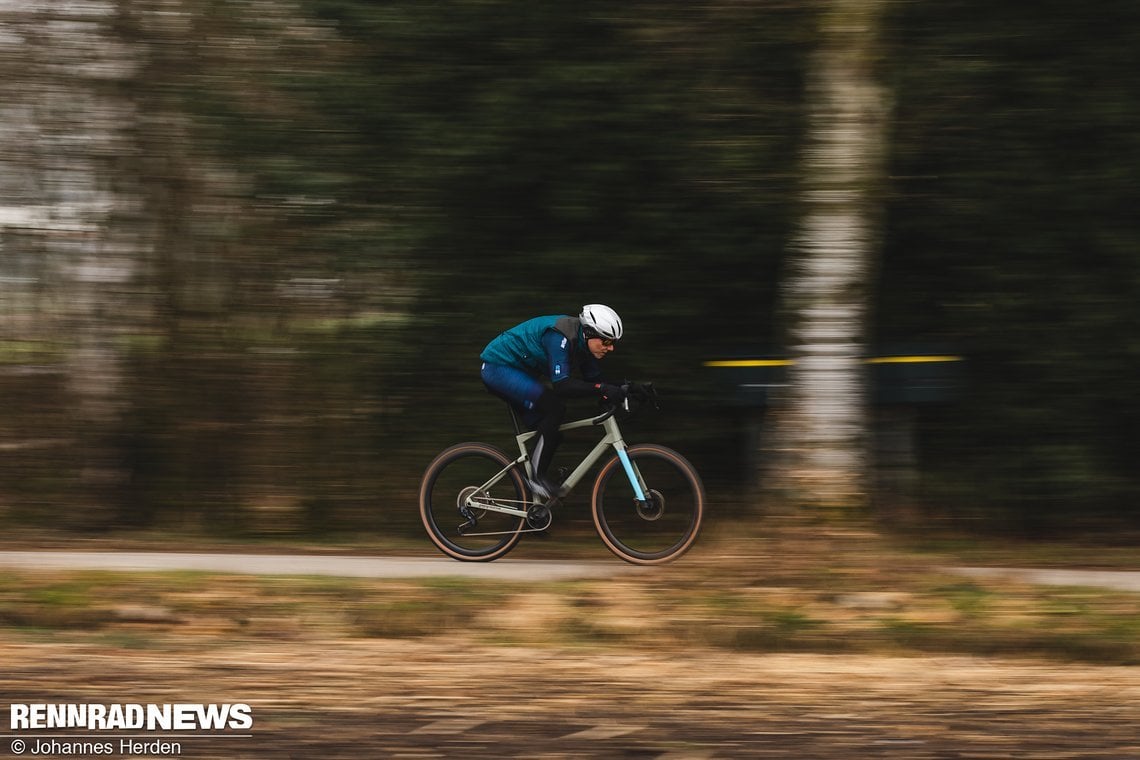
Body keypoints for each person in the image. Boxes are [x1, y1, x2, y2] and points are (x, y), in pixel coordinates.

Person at [480, 304, 627, 501]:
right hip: (497, 368)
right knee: (554, 408)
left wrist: (630, 387)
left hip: (520, 374)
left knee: (551, 432)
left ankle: (534, 507)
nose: (611, 347)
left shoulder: (583, 344)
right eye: (606, 341)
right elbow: (563, 386)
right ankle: (536, 480)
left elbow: (597, 381)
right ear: (590, 333)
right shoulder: (560, 337)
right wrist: (602, 390)